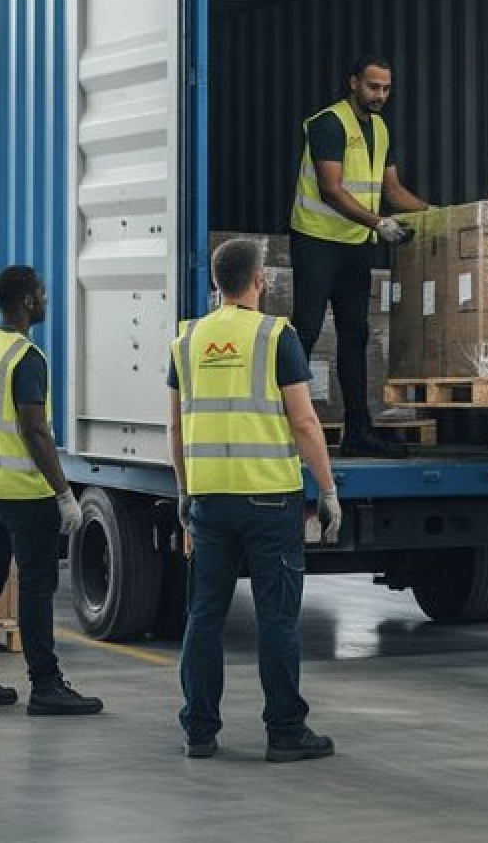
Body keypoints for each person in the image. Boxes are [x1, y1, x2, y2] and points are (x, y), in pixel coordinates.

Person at [169, 238, 343, 762]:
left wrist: (183, 492)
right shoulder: (275, 335)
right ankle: (285, 731)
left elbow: (176, 428)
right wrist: (328, 490)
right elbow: (305, 421)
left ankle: (200, 731)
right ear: (259, 280)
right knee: (276, 619)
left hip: (208, 501)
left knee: (204, 615)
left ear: (216, 285)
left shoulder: (187, 338)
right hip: (269, 500)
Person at [0, 265, 102, 716]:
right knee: (37, 586)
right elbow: (36, 431)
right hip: (24, 490)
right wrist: (63, 493)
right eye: (41, 293)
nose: (46, 300)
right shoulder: (26, 357)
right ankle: (46, 685)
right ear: (27, 302)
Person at [289, 55, 429, 458]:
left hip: (354, 244)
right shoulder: (328, 123)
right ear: (354, 83)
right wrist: (380, 223)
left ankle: (357, 431)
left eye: (386, 88)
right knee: (307, 330)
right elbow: (332, 190)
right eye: (372, 87)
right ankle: (281, 429)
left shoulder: (380, 128)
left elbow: (393, 190)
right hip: (317, 240)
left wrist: (436, 214)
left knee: (355, 334)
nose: (379, 95)